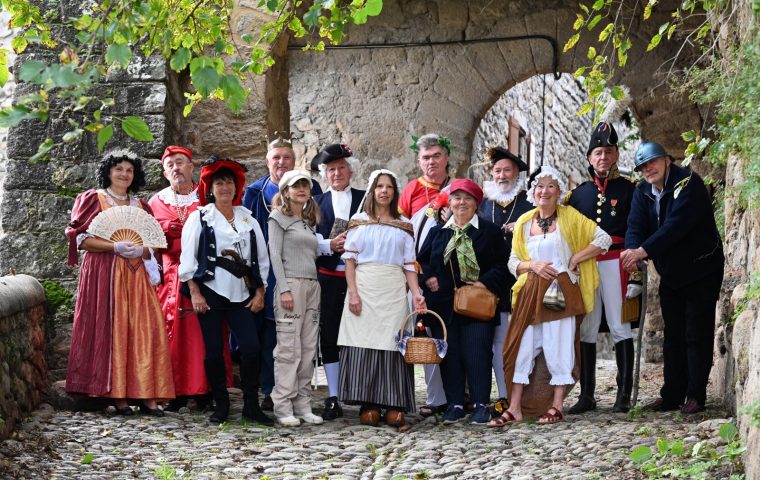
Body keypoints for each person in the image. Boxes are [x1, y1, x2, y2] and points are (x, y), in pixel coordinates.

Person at [488, 166, 611, 427]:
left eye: (550, 186)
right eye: (540, 186)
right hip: (531, 292)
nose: (544, 191)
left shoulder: (570, 217)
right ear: (533, 192)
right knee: (522, 347)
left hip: (559, 291)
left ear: (558, 192)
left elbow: (603, 238)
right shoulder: (524, 221)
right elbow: (513, 261)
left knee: (558, 346)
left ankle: (557, 406)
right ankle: (515, 408)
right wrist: (531, 266)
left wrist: (575, 258)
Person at [65, 149, 174, 416]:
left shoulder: (141, 207)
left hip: (137, 276)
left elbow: (154, 244)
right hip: (105, 273)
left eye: (129, 170)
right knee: (113, 329)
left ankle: (147, 394)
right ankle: (118, 395)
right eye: (119, 169)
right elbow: (81, 239)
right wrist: (114, 246)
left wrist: (142, 250)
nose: (124, 174)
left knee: (145, 329)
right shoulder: (93, 199)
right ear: (108, 172)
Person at [621, 141, 724, 414]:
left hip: (701, 268)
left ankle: (695, 394)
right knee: (673, 334)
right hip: (672, 272)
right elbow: (635, 225)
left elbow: (675, 226)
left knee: (695, 332)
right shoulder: (642, 192)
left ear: (667, 159)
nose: (647, 169)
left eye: (652, 162)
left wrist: (645, 249)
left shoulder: (689, 184)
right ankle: (671, 394)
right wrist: (633, 250)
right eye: (642, 167)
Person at [178, 156, 273, 425]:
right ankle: (221, 406)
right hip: (210, 293)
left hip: (242, 294)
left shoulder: (248, 219)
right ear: (210, 188)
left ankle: (251, 406)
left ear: (236, 187)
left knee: (251, 348)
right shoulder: (200, 218)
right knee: (213, 350)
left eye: (229, 182)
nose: (225, 187)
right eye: (219, 183)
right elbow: (188, 261)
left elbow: (260, 259)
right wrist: (195, 293)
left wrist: (259, 292)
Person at [337, 169, 426, 430]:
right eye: (379, 186)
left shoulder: (404, 224)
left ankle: (395, 405)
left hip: (393, 290)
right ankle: (369, 404)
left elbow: (409, 264)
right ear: (372, 190)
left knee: (393, 344)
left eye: (389, 186)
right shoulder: (358, 221)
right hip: (364, 288)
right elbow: (350, 261)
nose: (384, 191)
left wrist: (417, 294)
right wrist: (353, 293)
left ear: (394, 192)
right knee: (363, 345)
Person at [241, 134, 323, 411]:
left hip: (302, 274)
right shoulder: (254, 193)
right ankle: (270, 390)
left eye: (287, 157)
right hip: (268, 272)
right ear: (268, 162)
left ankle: (298, 397)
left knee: (303, 339)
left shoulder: (307, 200)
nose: (282, 162)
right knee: (271, 336)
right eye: (276, 158)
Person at [418, 179, 509, 425]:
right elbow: (421, 262)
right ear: (449, 202)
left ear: (476, 203)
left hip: (477, 304)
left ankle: (480, 404)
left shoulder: (489, 231)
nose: (461, 203)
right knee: (451, 354)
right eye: (457, 198)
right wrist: (429, 278)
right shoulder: (439, 232)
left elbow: (503, 266)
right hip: (443, 304)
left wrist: (484, 282)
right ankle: (455, 404)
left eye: (467, 198)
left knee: (477, 353)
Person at [148, 146, 232, 412]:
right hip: (169, 276)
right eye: (170, 164)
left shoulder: (206, 198)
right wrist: (164, 234)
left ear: (191, 166)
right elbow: (147, 241)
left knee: (205, 332)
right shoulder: (155, 202)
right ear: (164, 172)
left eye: (181, 162)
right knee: (172, 334)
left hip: (204, 274)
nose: (176, 168)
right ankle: (174, 390)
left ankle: (207, 389)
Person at [566, 122, 639, 414]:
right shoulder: (577, 195)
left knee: (621, 326)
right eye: (598, 152)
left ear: (617, 155)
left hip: (616, 263)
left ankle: (623, 392)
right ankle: (587, 395)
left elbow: (635, 226)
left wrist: (635, 259)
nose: (603, 157)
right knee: (588, 327)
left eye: (608, 151)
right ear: (589, 158)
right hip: (586, 265)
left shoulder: (630, 190)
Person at [268, 169, 333, 427]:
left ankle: (302, 404)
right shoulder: (277, 218)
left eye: (305, 185)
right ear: (285, 191)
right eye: (296, 186)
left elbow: (314, 253)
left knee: (308, 348)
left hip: (312, 286)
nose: (302, 189)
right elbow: (274, 255)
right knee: (288, 348)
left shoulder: (307, 222)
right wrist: (283, 289)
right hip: (291, 286)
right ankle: (283, 405)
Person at [400, 133, 452, 417]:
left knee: (453, 333)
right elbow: (405, 233)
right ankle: (436, 398)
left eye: (436, 156)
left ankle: (460, 393)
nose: (431, 162)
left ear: (446, 157)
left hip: (453, 274)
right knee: (427, 333)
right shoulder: (411, 191)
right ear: (419, 161)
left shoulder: (458, 189)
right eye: (426, 158)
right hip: (421, 272)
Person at [311, 144, 365, 421]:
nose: (337, 173)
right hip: (329, 277)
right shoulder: (315, 203)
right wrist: (329, 244)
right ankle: (333, 396)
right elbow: (307, 238)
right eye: (331, 170)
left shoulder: (365, 198)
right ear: (324, 174)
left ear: (350, 171)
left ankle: (364, 392)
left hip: (363, 279)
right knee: (329, 334)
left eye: (341, 168)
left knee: (363, 334)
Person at [477, 146, 532, 411]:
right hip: (490, 278)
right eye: (497, 170)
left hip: (520, 275)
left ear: (516, 173)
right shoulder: (482, 204)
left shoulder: (528, 202)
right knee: (494, 338)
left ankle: (520, 393)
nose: (501, 175)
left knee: (520, 336)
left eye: (507, 170)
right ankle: (499, 393)